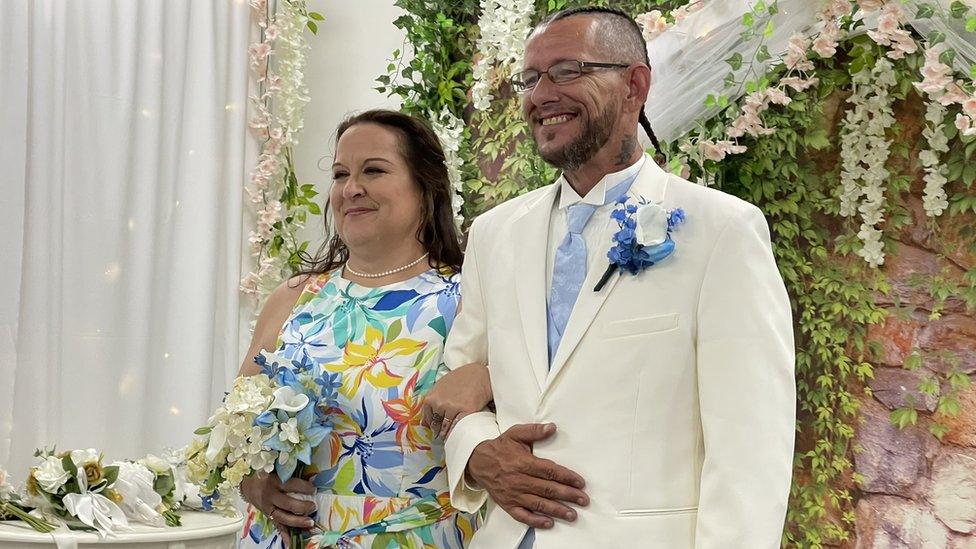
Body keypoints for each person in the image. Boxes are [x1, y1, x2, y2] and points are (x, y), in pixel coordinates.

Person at [425, 6, 796, 548]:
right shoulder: (493, 234)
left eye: (568, 71)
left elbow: (751, 448)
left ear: (634, 85)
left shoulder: (722, 232)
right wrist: (478, 451)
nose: (541, 94)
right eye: (530, 78)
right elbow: (462, 379)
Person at [236, 109, 479, 548]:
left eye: (374, 170)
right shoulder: (294, 297)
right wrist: (252, 483)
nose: (352, 189)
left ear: (427, 188)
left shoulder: (466, 301)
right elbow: (234, 428)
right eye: (340, 173)